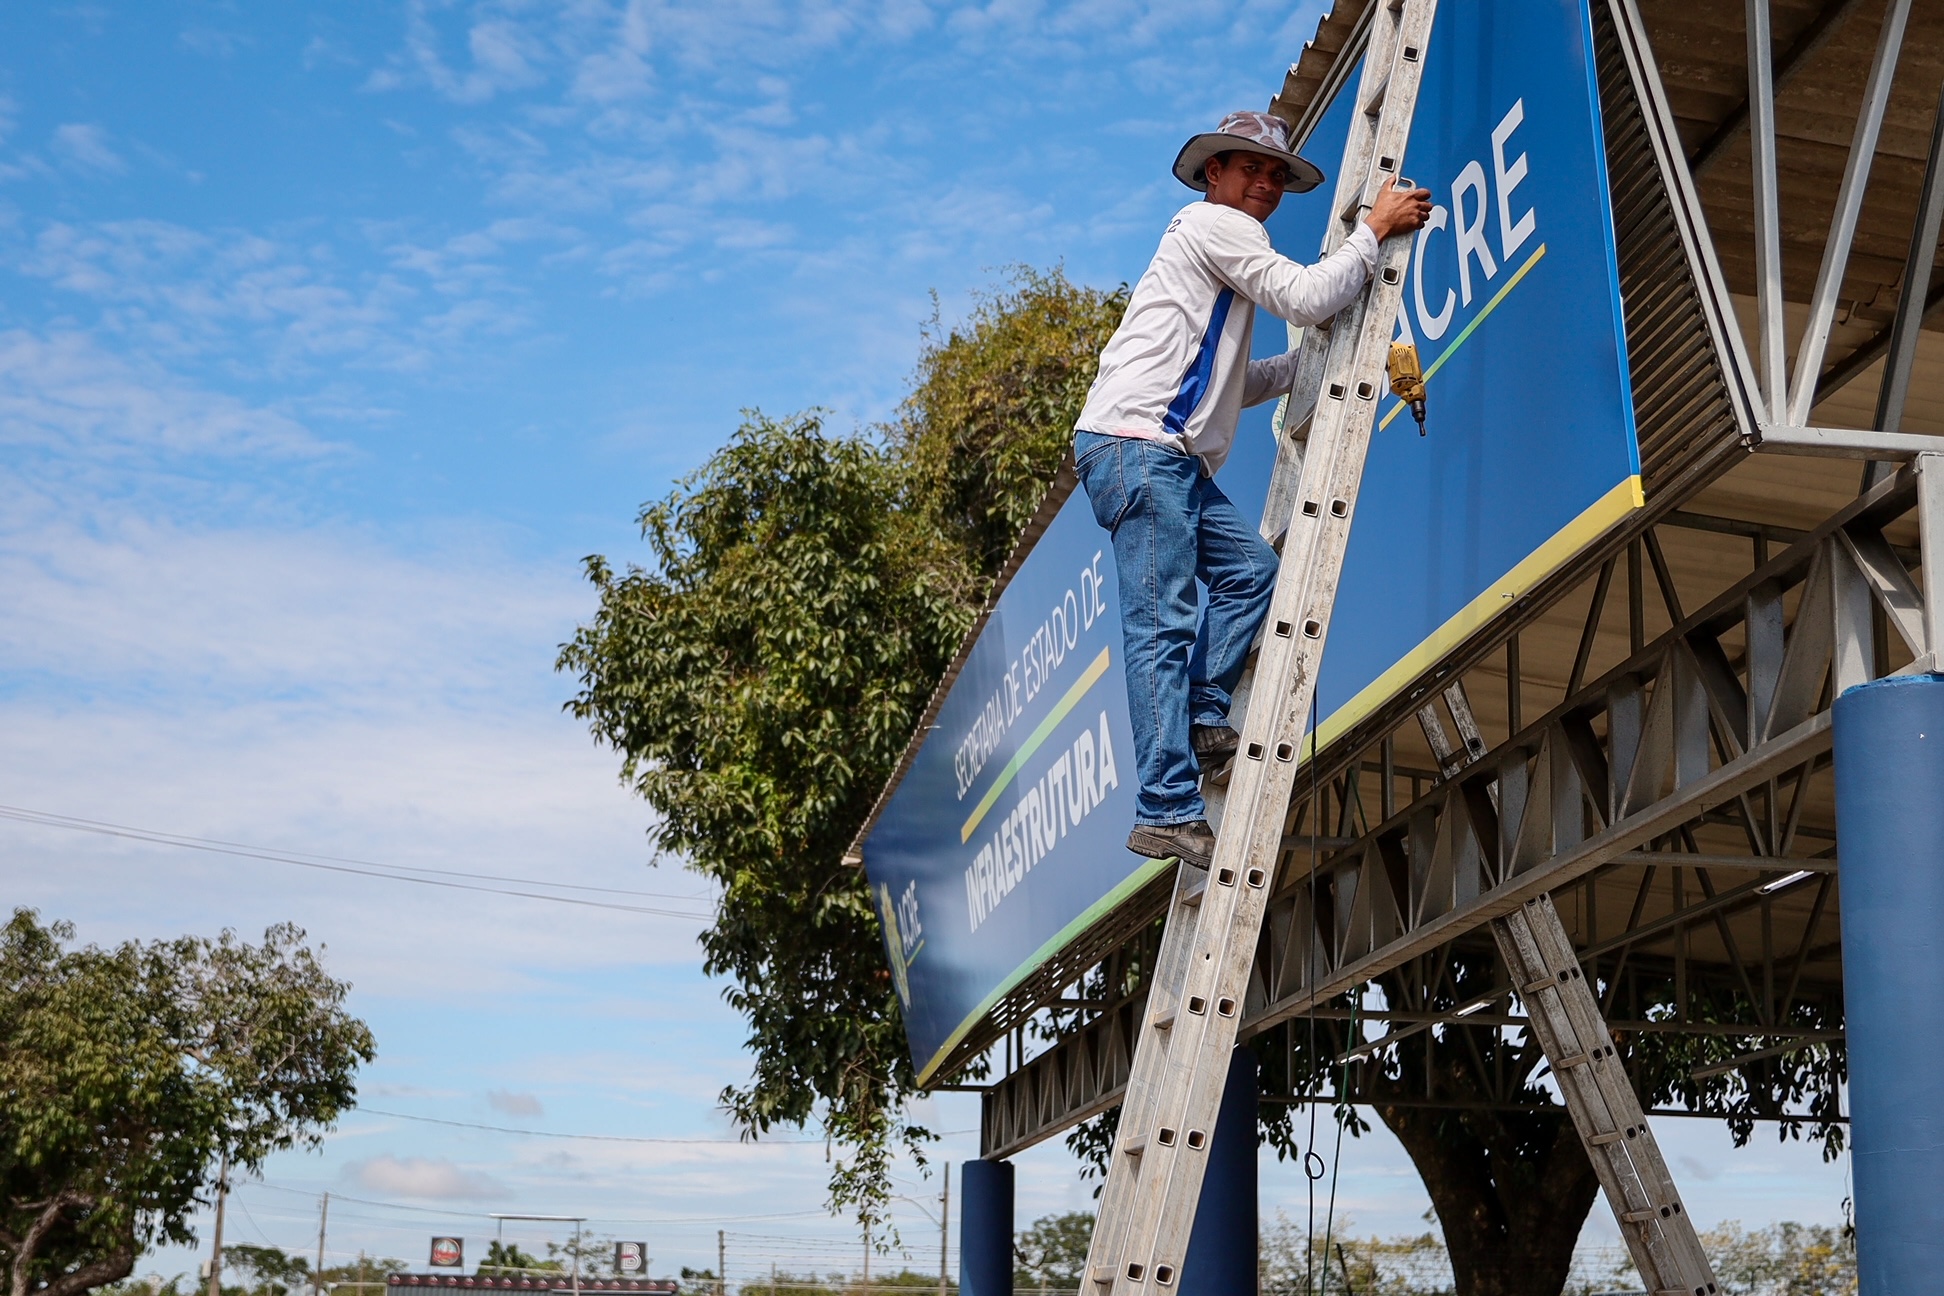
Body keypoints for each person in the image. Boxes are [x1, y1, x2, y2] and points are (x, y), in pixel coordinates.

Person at [1073, 109, 1431, 870]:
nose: (1265, 185)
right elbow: (1306, 298)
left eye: (1275, 176)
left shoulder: (1214, 251)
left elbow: (1239, 382)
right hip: (1142, 450)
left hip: (1156, 454)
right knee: (1161, 624)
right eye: (1250, 170)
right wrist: (1376, 228)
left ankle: (1205, 712)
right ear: (1215, 175)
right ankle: (1166, 809)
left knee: (1250, 575)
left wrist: (1326, 362)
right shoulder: (1215, 226)